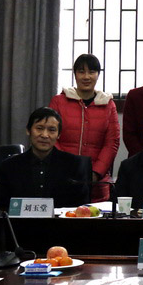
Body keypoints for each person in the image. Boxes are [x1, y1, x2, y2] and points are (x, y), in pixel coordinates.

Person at [50, 54, 120, 202]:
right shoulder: (58, 101)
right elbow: (52, 137)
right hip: (62, 177)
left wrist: (95, 172)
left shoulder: (108, 105)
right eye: (81, 72)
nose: (86, 77)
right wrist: (66, 167)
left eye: (92, 72)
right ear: (75, 74)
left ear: (98, 74)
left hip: (96, 183)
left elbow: (112, 143)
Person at [0, 107, 91, 211]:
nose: (45, 135)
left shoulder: (73, 165)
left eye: (52, 130)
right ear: (28, 130)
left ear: (58, 135)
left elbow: (81, 207)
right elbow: (3, 207)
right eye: (39, 128)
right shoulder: (9, 167)